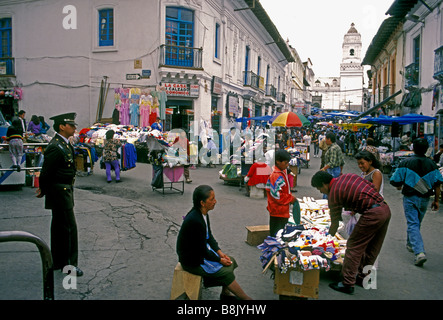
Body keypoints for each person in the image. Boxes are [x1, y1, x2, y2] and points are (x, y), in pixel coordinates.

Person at [311, 171, 391, 294]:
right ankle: (364, 277)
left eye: (319, 189)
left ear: (324, 184)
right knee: (372, 248)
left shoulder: (333, 193)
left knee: (354, 246)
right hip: (384, 209)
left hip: (372, 214)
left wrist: (327, 238)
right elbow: (371, 187)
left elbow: (335, 222)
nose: (321, 192)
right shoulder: (348, 176)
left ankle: (347, 283)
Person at [176, 185, 252, 300]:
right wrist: (219, 260)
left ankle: (225, 293)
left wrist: (220, 253)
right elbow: (202, 251)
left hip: (199, 254)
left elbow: (209, 236)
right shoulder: (195, 220)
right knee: (226, 272)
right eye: (211, 199)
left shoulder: (203, 214)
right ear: (202, 202)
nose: (215, 201)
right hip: (192, 261)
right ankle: (246, 299)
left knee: (231, 261)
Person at [36, 112, 83, 277]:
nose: (74, 127)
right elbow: (47, 171)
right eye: (71, 125)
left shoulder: (64, 143)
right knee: (69, 228)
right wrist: (43, 188)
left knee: (59, 227)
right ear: (62, 126)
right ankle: (69, 264)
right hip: (60, 191)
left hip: (63, 190)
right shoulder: (56, 146)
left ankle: (58, 261)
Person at [390, 138, 443, 266]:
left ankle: (419, 252)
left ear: (413, 148)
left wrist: (400, 184)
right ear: (426, 149)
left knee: (413, 223)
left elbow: (395, 180)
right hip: (425, 198)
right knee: (416, 222)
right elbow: (438, 183)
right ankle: (410, 244)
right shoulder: (431, 164)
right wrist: (436, 200)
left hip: (410, 197)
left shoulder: (406, 162)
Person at [265, 149, 298, 237]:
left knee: (280, 232)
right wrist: (290, 198)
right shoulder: (276, 175)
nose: (287, 165)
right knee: (277, 234)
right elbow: (277, 195)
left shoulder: (281, 171)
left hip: (281, 209)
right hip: (278, 211)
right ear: (278, 162)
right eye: (285, 163)